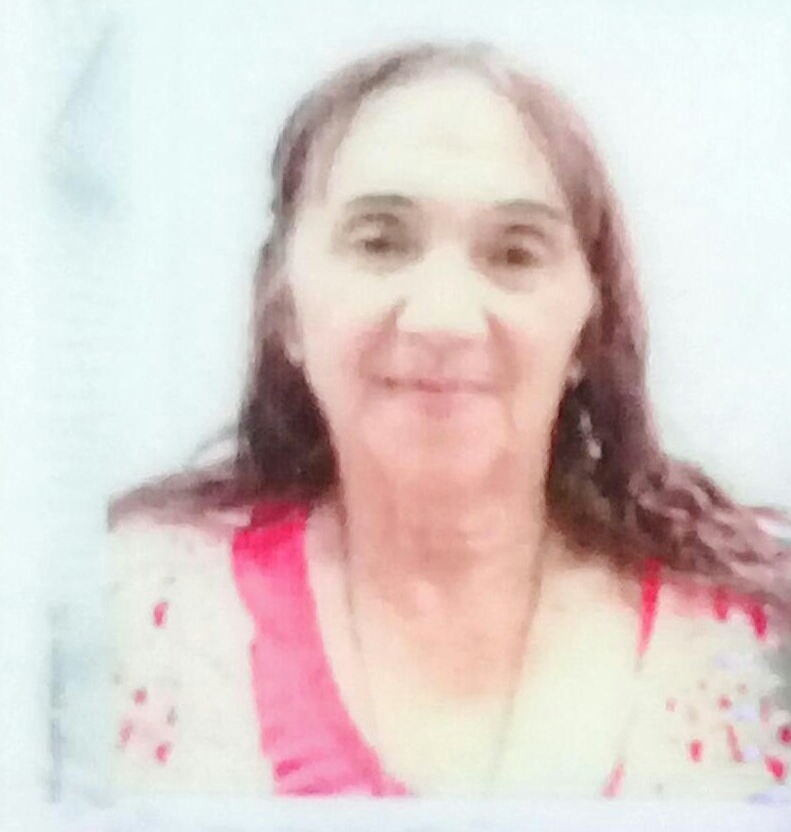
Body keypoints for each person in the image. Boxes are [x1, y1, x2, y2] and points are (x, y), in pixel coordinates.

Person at [107, 41, 791, 800]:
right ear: (285, 311)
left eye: (514, 254)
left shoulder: (755, 650)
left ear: (587, 331)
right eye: (380, 242)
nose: (444, 318)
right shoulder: (132, 631)